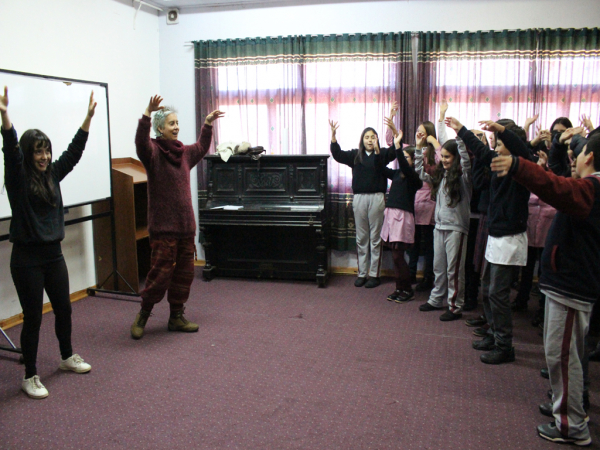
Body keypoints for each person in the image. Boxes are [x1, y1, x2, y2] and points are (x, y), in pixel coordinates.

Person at [491, 132, 600, 447]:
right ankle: (572, 410)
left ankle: (571, 426)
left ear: (588, 157)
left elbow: (554, 186)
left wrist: (517, 166)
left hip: (570, 288)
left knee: (562, 356)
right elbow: (556, 179)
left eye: (576, 155)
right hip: (570, 285)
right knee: (570, 356)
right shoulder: (589, 188)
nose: (572, 160)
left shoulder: (591, 188)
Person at [1, 86, 95, 399]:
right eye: (38, 151)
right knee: (32, 318)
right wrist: (5, 117)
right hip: (26, 259)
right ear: (29, 154)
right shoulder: (17, 179)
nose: (44, 157)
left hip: (53, 256)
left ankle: (67, 357)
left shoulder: (53, 174)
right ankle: (30, 375)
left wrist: (87, 120)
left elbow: (73, 154)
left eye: (46, 151)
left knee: (64, 309)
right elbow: (11, 153)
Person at [130, 95, 224, 339]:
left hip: (185, 228)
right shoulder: (152, 153)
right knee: (159, 275)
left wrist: (207, 124)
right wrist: (146, 115)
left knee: (184, 275)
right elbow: (141, 143)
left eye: (177, 123)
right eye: (171, 123)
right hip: (163, 228)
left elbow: (202, 147)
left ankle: (176, 317)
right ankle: (143, 313)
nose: (177, 127)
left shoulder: (184, 153)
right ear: (160, 128)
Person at [452, 118, 531, 364]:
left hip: (510, 238)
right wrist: (461, 131)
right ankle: (493, 334)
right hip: (496, 235)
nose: (496, 145)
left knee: (498, 293)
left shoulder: (522, 165)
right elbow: (481, 151)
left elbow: (521, 149)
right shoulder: (497, 163)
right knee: (488, 289)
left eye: (500, 141)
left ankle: (504, 346)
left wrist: (503, 131)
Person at [329, 119, 396, 289]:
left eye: (373, 137)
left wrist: (394, 131)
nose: (370, 140)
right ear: (362, 140)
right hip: (359, 199)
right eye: (367, 137)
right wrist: (334, 137)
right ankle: (362, 273)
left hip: (377, 199)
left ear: (377, 139)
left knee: (375, 238)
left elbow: (396, 151)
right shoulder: (355, 156)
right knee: (362, 237)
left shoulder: (382, 155)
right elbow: (337, 155)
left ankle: (374, 274)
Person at [416, 131, 472, 321]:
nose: (444, 160)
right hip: (439, 227)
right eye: (443, 156)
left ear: (456, 157)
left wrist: (460, 137)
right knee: (438, 267)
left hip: (456, 228)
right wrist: (418, 149)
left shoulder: (464, 178)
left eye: (448, 156)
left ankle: (455, 306)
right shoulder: (440, 175)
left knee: (454, 270)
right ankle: (436, 299)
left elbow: (465, 161)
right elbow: (420, 172)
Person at [379, 119, 422, 303]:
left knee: (398, 255)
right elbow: (379, 168)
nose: (403, 160)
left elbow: (404, 165)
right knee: (395, 258)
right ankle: (400, 288)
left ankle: (407, 289)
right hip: (391, 215)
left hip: (403, 217)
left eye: (407, 157)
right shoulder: (396, 174)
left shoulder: (414, 177)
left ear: (412, 160)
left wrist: (398, 147)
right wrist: (376, 152)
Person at [408, 120, 442, 292]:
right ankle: (411, 273)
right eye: (418, 131)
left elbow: (440, 161)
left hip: (429, 202)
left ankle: (428, 277)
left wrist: (428, 145)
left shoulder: (432, 152)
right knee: (412, 242)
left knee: (429, 244)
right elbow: (393, 143)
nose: (419, 134)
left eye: (423, 132)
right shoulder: (412, 149)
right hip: (414, 201)